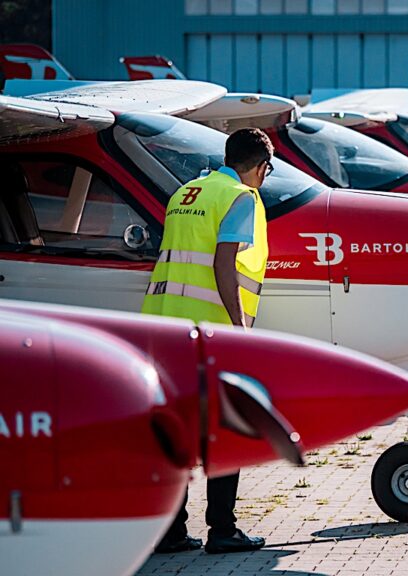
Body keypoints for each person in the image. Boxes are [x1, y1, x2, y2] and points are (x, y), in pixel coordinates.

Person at [142, 128, 273, 554]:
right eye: (265, 173)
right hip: (209, 329)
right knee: (225, 429)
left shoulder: (186, 193)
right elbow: (224, 262)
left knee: (176, 431)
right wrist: (239, 326)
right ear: (260, 167)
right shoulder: (240, 197)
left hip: (163, 327)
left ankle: (170, 531)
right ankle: (222, 529)